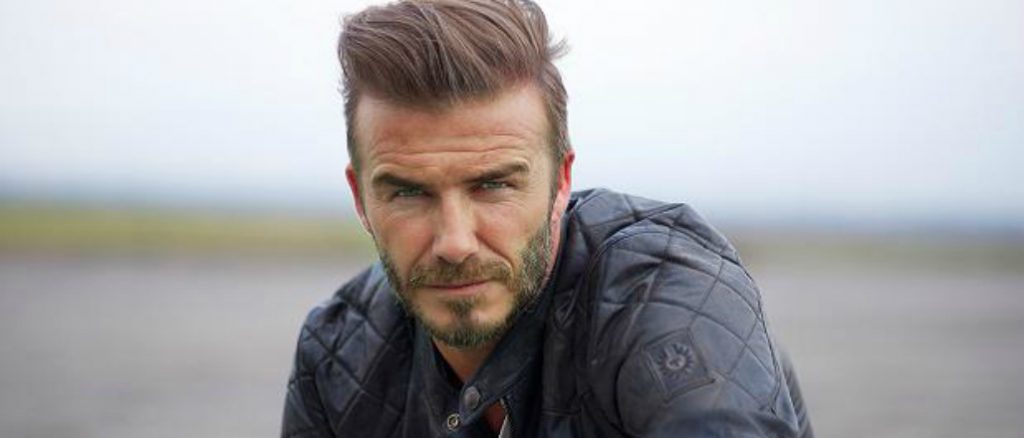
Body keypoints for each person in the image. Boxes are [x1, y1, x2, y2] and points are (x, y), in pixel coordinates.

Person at [281, 0, 813, 436]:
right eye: (408, 193)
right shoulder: (336, 356)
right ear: (360, 198)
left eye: (493, 186)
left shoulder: (664, 296)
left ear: (561, 181)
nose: (455, 242)